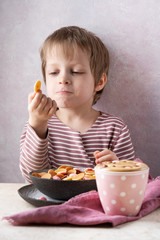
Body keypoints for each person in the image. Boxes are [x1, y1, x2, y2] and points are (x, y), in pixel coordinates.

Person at [20, 26, 135, 182]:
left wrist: (114, 167)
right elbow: (31, 177)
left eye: (76, 72)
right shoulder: (38, 125)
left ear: (99, 82)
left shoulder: (115, 128)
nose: (63, 79)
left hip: (97, 204)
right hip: (53, 204)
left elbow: (129, 180)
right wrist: (38, 125)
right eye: (54, 72)